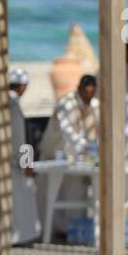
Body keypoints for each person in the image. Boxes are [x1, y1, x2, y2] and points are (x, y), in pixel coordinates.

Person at [0, 66, 40, 245]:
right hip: (9, 160)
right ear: (22, 86)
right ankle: (16, 235)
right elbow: (19, 138)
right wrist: (26, 162)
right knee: (19, 198)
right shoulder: (13, 106)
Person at [37, 74, 98, 239]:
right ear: (79, 90)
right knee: (51, 194)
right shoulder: (67, 103)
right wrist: (83, 145)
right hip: (54, 154)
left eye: (91, 94)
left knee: (76, 192)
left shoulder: (93, 104)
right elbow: (66, 129)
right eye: (86, 93)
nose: (88, 97)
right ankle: (52, 231)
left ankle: (72, 229)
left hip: (77, 158)